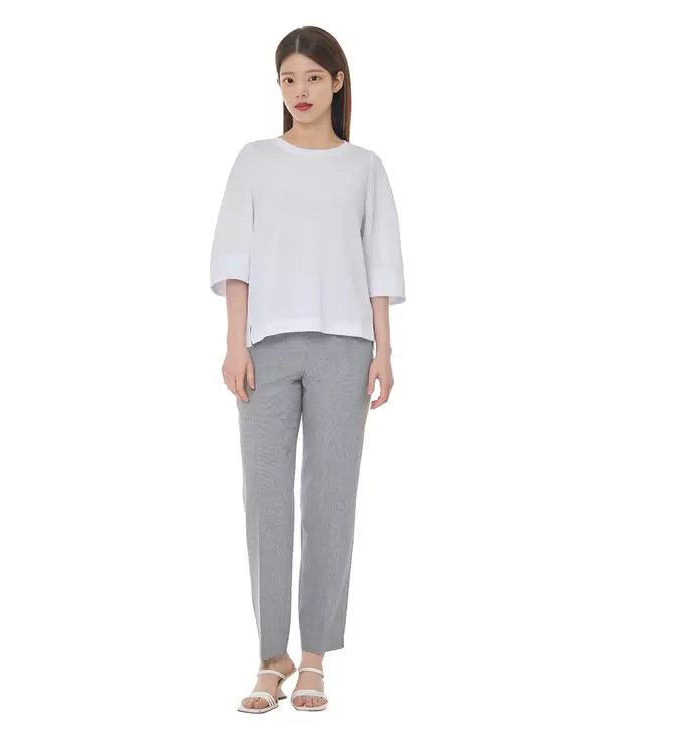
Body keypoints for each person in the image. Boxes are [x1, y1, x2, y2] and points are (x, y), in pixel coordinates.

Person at [209, 26, 406, 714]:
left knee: (330, 501)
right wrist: (235, 344)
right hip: (265, 346)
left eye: (314, 78)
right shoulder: (255, 160)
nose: (300, 91)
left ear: (337, 82)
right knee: (265, 499)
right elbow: (234, 257)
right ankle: (273, 658)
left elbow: (380, 263)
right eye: (289, 79)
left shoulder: (364, 167)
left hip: (346, 348)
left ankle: (315, 657)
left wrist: (385, 350)